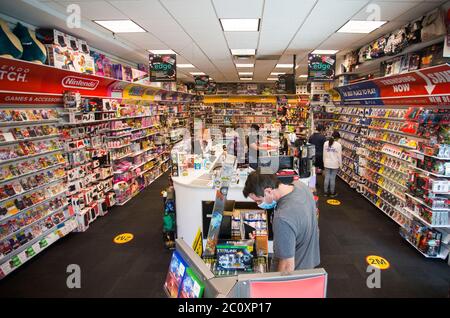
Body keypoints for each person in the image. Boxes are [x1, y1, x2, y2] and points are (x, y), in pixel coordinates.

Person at [242, 170, 320, 272]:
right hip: (309, 260)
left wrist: (277, 285)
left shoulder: (282, 218)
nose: (258, 205)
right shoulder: (301, 186)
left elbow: (287, 266)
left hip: (296, 272)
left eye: (259, 201)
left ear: (268, 191)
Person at [323, 130, 342, 197]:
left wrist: (324, 161)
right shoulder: (338, 145)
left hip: (327, 162)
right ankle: (332, 192)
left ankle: (325, 192)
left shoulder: (325, 143)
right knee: (332, 178)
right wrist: (341, 164)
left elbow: (324, 154)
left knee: (327, 177)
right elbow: (339, 156)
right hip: (335, 163)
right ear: (337, 138)